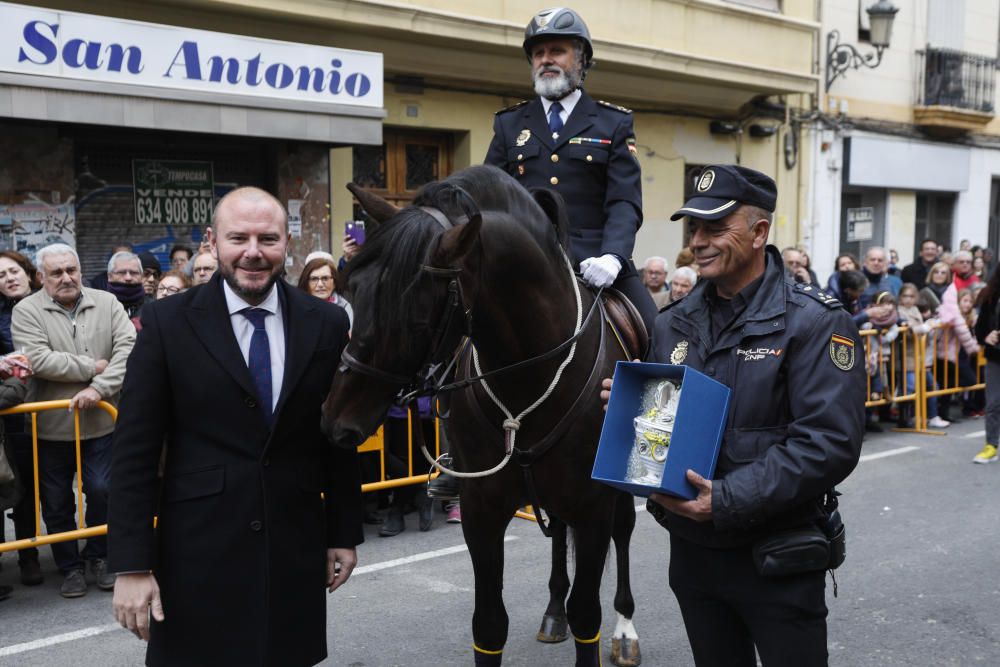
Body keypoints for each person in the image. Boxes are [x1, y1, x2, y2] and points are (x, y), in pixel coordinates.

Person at [604, 164, 864, 665]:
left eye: (715, 228)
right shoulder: (672, 322)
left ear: (759, 231)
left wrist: (723, 500)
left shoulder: (814, 320)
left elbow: (828, 443)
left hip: (778, 557)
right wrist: (632, 411)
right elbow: (669, 431)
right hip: (695, 556)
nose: (698, 241)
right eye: (693, 229)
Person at [108, 187, 363, 665]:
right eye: (237, 237)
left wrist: (343, 531)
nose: (253, 252)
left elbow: (335, 435)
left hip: (293, 549)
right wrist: (131, 564)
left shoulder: (324, 323)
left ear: (287, 241)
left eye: (267, 238)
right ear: (212, 241)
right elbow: (134, 451)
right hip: (196, 554)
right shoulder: (166, 322)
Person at [484, 7, 657, 332]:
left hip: (595, 263)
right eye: (538, 53)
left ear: (581, 60)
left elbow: (624, 201)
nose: (545, 59)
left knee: (660, 338)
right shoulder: (509, 124)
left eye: (556, 51)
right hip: (522, 258)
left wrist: (613, 257)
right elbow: (489, 197)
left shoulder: (613, 122)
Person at [12, 243, 136, 598]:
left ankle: (99, 555)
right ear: (40, 277)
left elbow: (128, 351)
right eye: (56, 272)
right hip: (51, 425)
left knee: (102, 489)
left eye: (72, 270)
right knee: (55, 501)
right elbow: (38, 359)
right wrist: (91, 366)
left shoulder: (108, 302)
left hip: (102, 420)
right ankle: (69, 567)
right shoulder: (26, 310)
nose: (67, 278)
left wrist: (98, 387)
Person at [0, 251, 42, 587]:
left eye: (14, 271)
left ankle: (54, 552)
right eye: (1, 276)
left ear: (28, 273)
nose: (9, 278)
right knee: (16, 488)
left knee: (54, 490)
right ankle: (23, 558)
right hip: (11, 414)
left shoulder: (47, 304)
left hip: (51, 407)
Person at [973, 266, 1000, 463]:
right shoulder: (991, 296)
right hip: (996, 357)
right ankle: (991, 445)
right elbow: (980, 327)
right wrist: (986, 336)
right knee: (993, 403)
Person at [296, 257, 354, 327]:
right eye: (314, 279)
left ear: (334, 282)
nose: (320, 284)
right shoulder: (296, 307)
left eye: (325, 278)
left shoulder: (344, 307)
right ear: (306, 282)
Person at [107, 251, 150, 328]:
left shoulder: (153, 308)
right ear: (109, 276)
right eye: (121, 272)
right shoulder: (99, 308)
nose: (128, 278)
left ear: (142, 276)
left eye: (134, 273)